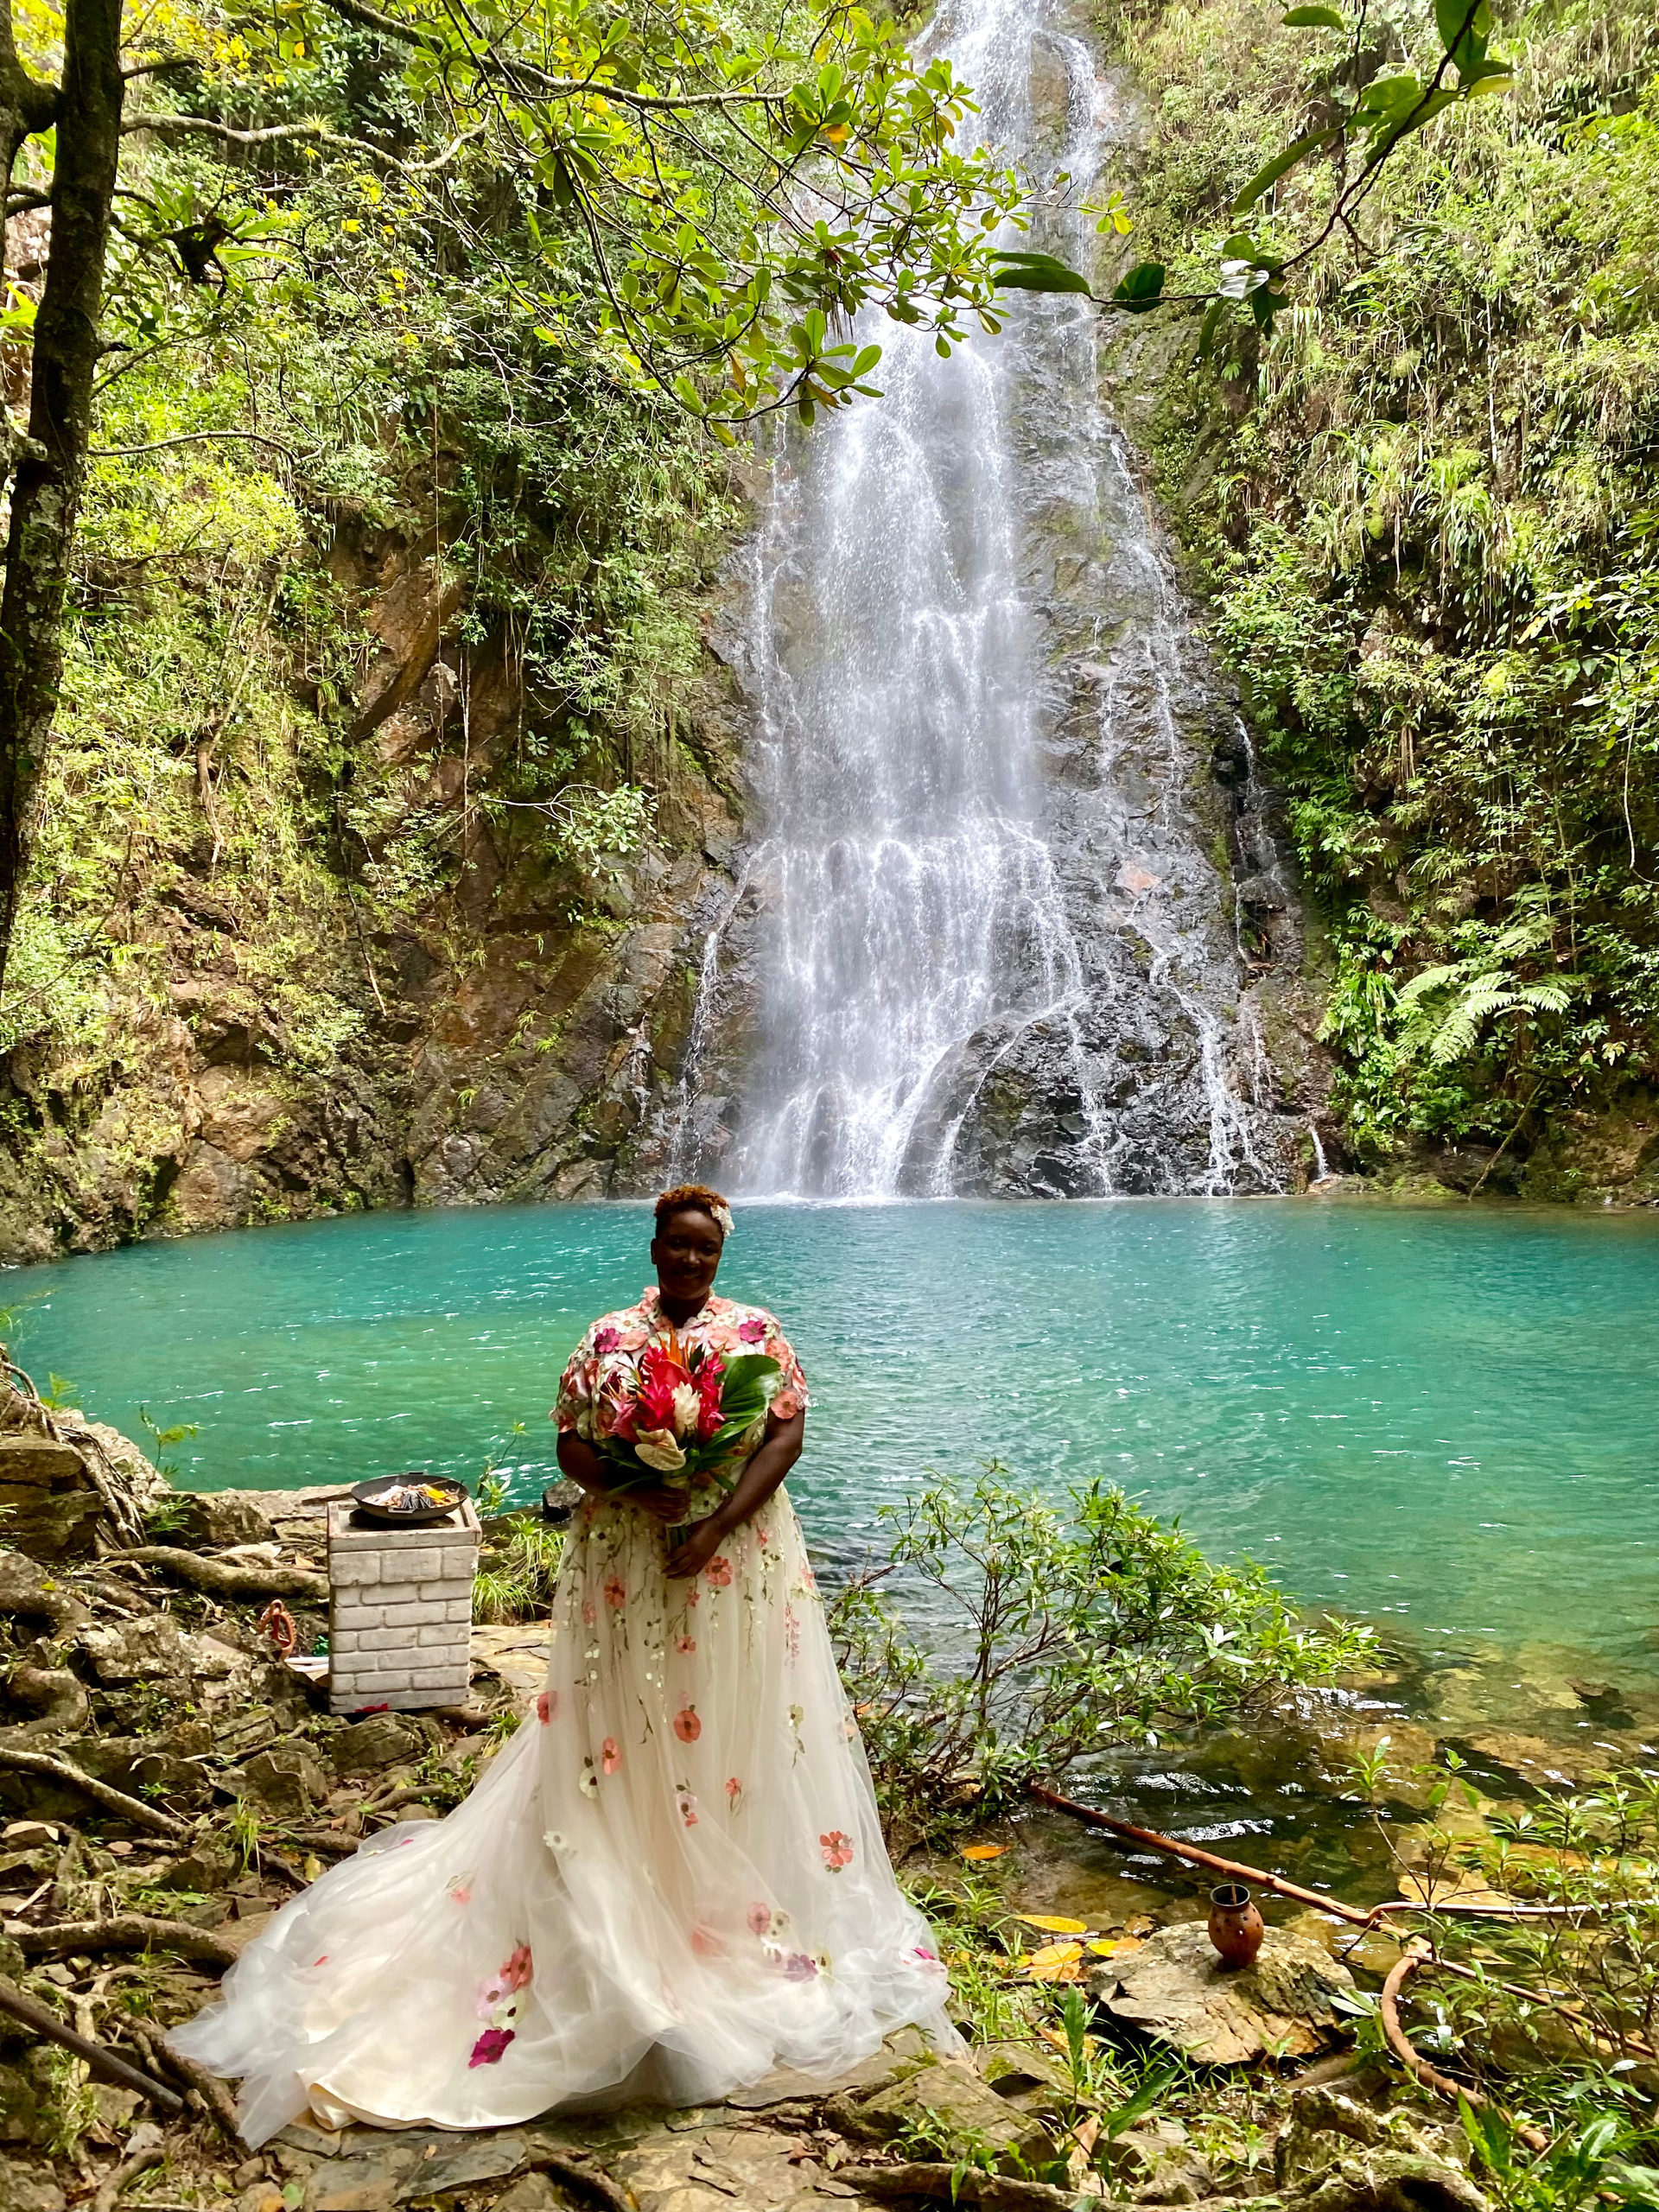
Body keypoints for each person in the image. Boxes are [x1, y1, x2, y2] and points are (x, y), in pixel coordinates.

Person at [171, 1184, 951, 2145]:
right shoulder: (607, 1340)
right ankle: (628, 1887)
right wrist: (637, 1482)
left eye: (705, 1250)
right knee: (627, 1721)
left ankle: (725, 1899)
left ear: (721, 1254)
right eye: (677, 1246)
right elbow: (571, 1446)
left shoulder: (759, 1332)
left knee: (731, 1713)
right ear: (656, 1244)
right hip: (629, 1554)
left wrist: (711, 1520)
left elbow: (785, 1430)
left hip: (735, 1556)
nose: (691, 1263)